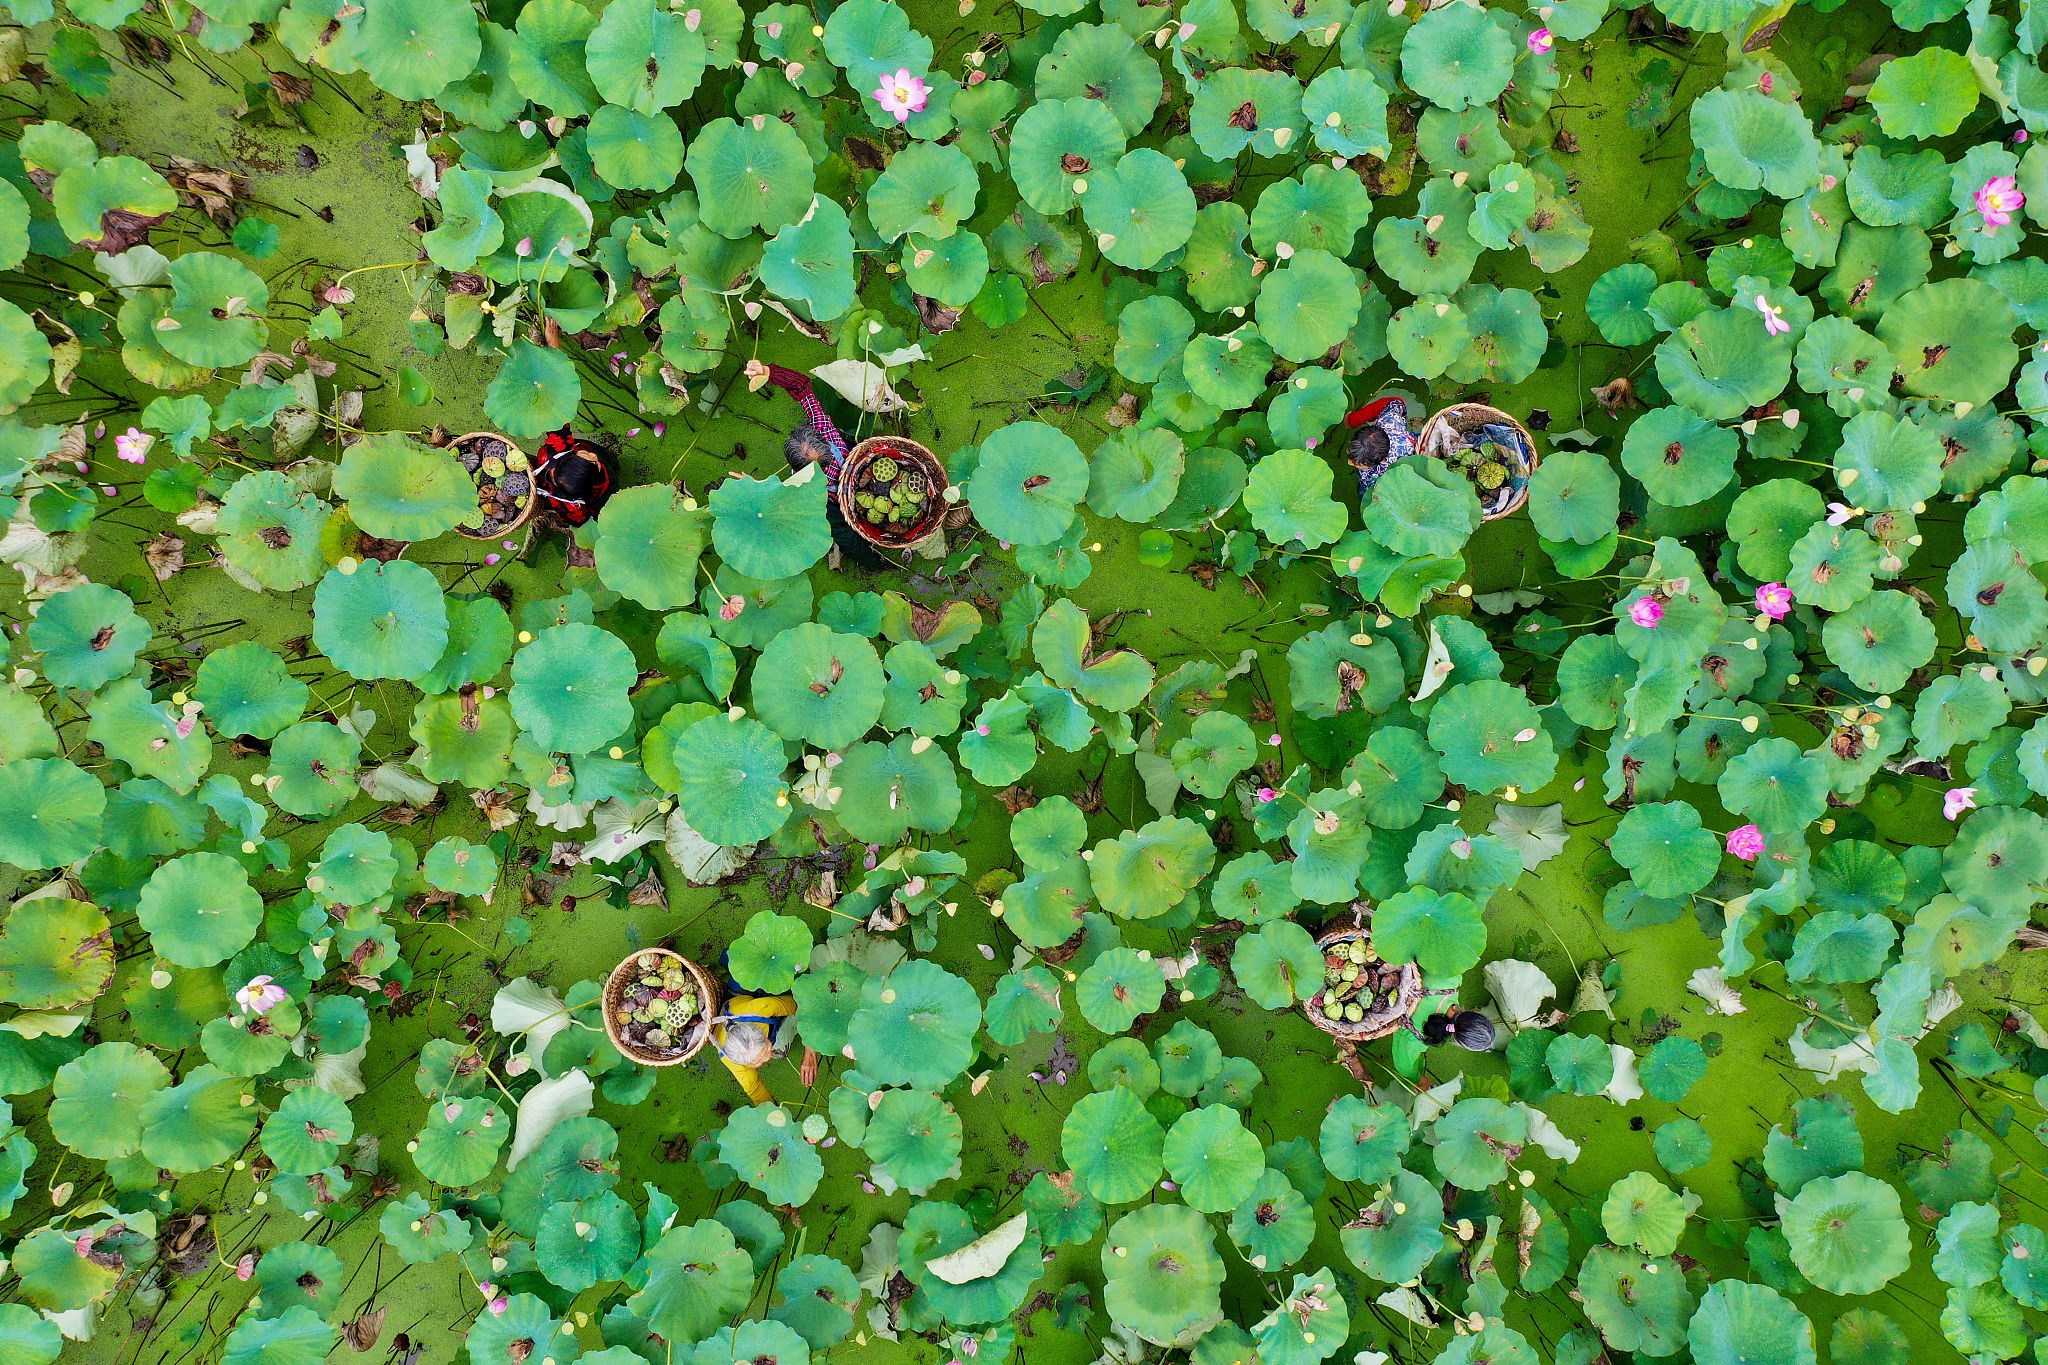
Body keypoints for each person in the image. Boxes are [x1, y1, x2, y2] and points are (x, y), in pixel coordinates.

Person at [764, 364, 888, 569]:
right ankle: (874, 565)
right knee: (849, 540)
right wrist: (754, 487)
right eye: (819, 464)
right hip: (832, 505)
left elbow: (802, 386)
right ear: (802, 468)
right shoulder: (799, 484)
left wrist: (770, 373)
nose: (826, 461)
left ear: (821, 437)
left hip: (855, 468)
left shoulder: (822, 427)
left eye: (825, 455)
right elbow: (775, 499)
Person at [531, 426, 620, 527]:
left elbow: (557, 423)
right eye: (594, 463)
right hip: (604, 486)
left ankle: (613, 462)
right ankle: (614, 463)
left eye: (587, 456)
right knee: (609, 471)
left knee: (604, 456)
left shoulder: (554, 449)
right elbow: (580, 521)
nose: (594, 456)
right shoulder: (573, 506)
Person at [1343, 395, 1418, 499]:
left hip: (1401, 476)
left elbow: (1377, 495)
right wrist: (1354, 419)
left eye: (1359, 464)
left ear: (1382, 461)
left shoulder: (1373, 475)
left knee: (1365, 493)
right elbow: (1395, 401)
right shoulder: (1390, 420)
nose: (1349, 462)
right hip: (1412, 444)